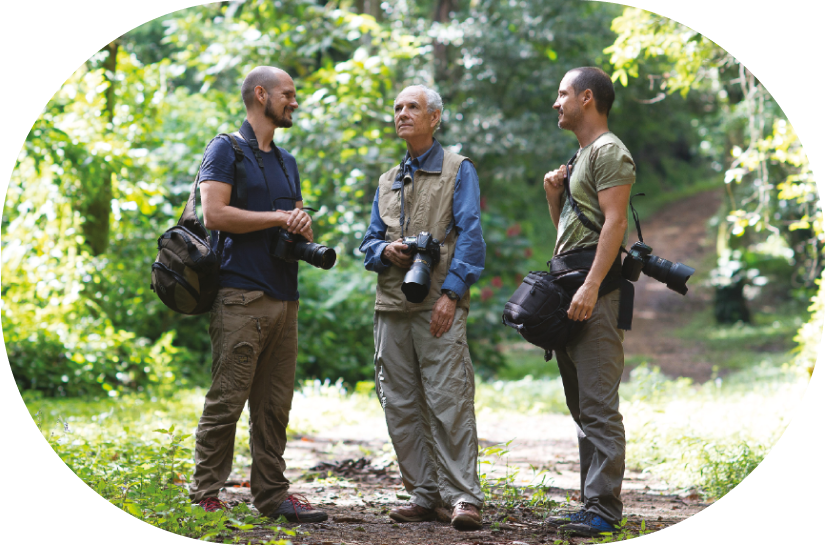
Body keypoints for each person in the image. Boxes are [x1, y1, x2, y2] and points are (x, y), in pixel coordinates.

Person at [188, 66, 327, 523]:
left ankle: (272, 496)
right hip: (240, 295)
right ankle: (206, 492)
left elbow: (295, 217)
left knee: (274, 407)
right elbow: (214, 213)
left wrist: (301, 224)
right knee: (228, 398)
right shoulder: (225, 149)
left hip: (286, 296)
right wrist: (275, 217)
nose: (295, 101)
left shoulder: (288, 161)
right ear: (261, 95)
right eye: (289, 94)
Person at [359, 85, 486, 530]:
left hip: (437, 303)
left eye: (412, 107)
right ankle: (424, 493)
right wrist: (385, 251)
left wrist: (451, 294)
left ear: (435, 117)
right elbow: (368, 241)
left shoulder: (458, 169)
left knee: (448, 398)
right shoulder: (387, 179)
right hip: (391, 305)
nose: (402, 114)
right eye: (397, 107)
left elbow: (471, 237)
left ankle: (463, 498)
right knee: (399, 404)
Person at [541, 67, 635, 537]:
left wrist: (592, 286)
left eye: (563, 94)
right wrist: (554, 199)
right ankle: (590, 503)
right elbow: (573, 233)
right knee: (581, 407)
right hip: (571, 291)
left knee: (598, 404)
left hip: (594, 295)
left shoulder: (608, 151)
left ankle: (604, 509)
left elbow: (615, 224)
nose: (556, 103)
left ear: (587, 97)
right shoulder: (580, 155)